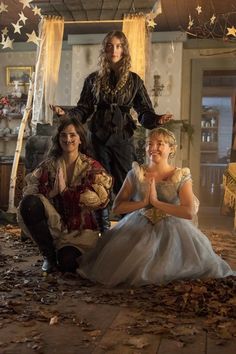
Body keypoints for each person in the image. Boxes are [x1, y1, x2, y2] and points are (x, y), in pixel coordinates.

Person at [77, 127, 235, 286]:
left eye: (160, 144)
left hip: (174, 228)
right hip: (138, 223)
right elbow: (117, 207)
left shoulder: (180, 175)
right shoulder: (136, 173)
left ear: (171, 149)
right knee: (127, 261)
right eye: (149, 144)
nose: (153, 148)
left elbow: (188, 212)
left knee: (182, 265)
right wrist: (143, 203)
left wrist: (157, 202)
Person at [50, 30, 172, 232]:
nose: (114, 50)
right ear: (104, 50)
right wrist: (66, 114)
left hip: (123, 137)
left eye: (118, 46)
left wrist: (157, 119)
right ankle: (103, 230)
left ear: (124, 49)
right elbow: (84, 109)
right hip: (98, 137)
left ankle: (130, 228)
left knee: (127, 182)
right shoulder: (93, 80)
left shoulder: (134, 81)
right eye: (109, 46)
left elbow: (143, 112)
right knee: (99, 183)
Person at [18, 116, 112, 273]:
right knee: (29, 204)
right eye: (63, 135)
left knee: (67, 264)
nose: (68, 139)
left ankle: (63, 255)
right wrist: (51, 192)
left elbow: (98, 200)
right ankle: (48, 255)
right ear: (58, 138)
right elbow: (29, 190)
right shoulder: (49, 164)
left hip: (80, 231)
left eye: (72, 135)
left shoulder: (91, 166)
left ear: (80, 139)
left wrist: (65, 192)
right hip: (54, 226)